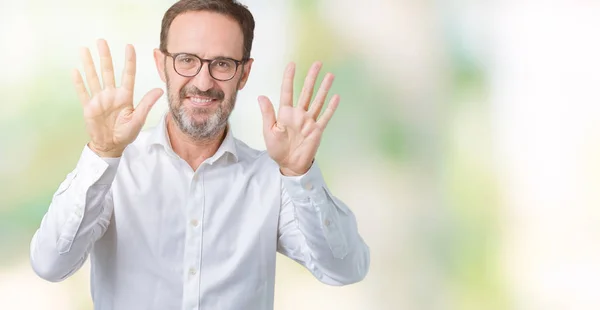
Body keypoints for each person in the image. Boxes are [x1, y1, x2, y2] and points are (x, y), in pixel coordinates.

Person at [29, 0, 370, 309]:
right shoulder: (115, 169)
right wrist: (103, 154)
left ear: (244, 73)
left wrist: (300, 173)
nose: (203, 82)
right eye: (187, 60)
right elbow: (50, 264)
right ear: (162, 64)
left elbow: (344, 269)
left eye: (222, 64)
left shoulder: (272, 178)